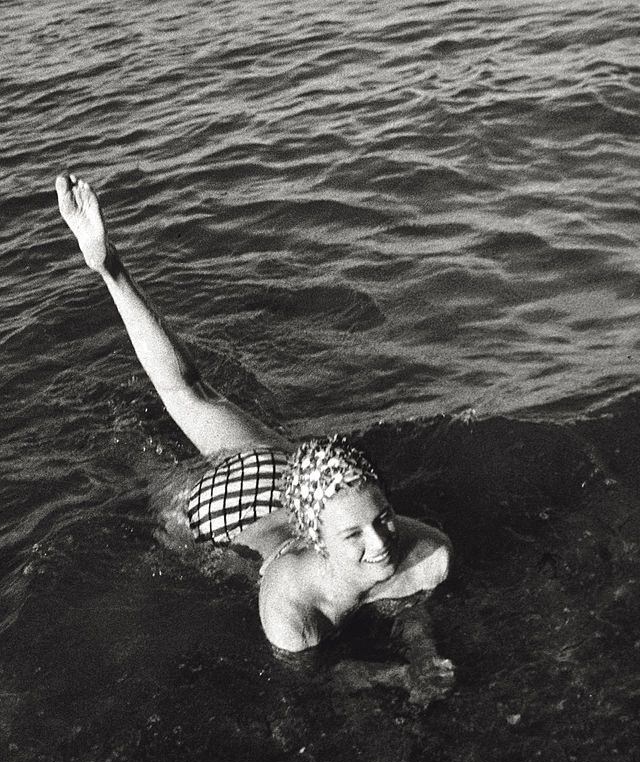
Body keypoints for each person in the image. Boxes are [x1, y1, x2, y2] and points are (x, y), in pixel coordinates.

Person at [55, 173, 452, 653]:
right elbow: (327, 683)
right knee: (150, 467)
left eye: (385, 517)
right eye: (355, 535)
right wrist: (386, 675)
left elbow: (406, 602)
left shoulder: (425, 552)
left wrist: (423, 648)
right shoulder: (291, 613)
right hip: (218, 509)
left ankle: (108, 267)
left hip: (284, 470)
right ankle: (107, 267)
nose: (382, 542)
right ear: (318, 542)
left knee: (195, 390)